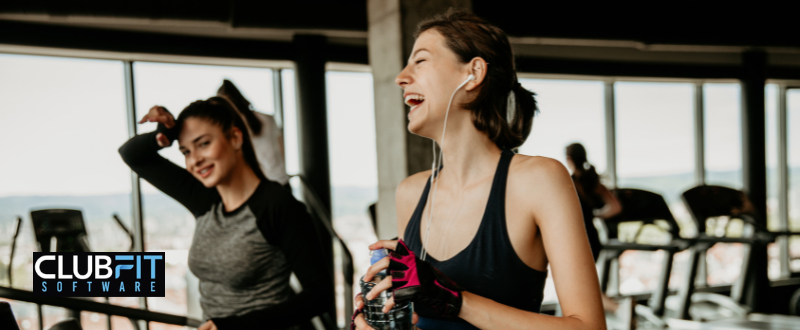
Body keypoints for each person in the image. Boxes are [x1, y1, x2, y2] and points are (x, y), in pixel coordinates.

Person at [352, 10, 606, 330]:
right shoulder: (411, 192)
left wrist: (457, 300)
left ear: (472, 73)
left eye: (420, 61)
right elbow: (419, 317)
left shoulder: (538, 179)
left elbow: (589, 326)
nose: (401, 77)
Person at [118, 97, 332, 330]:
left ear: (235, 138)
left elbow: (320, 295)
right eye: (186, 151)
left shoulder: (277, 205)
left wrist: (235, 326)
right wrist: (164, 134)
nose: (195, 160)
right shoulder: (205, 199)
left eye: (203, 144)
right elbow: (132, 155)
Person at [217, 79, 290, 188]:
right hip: (281, 179)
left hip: (261, 184)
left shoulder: (234, 127)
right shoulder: (268, 118)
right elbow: (281, 149)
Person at [565, 143, 622, 262]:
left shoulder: (568, 183)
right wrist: (595, 215)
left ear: (569, 159)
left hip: (574, 237)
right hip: (592, 237)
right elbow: (616, 207)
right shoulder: (593, 181)